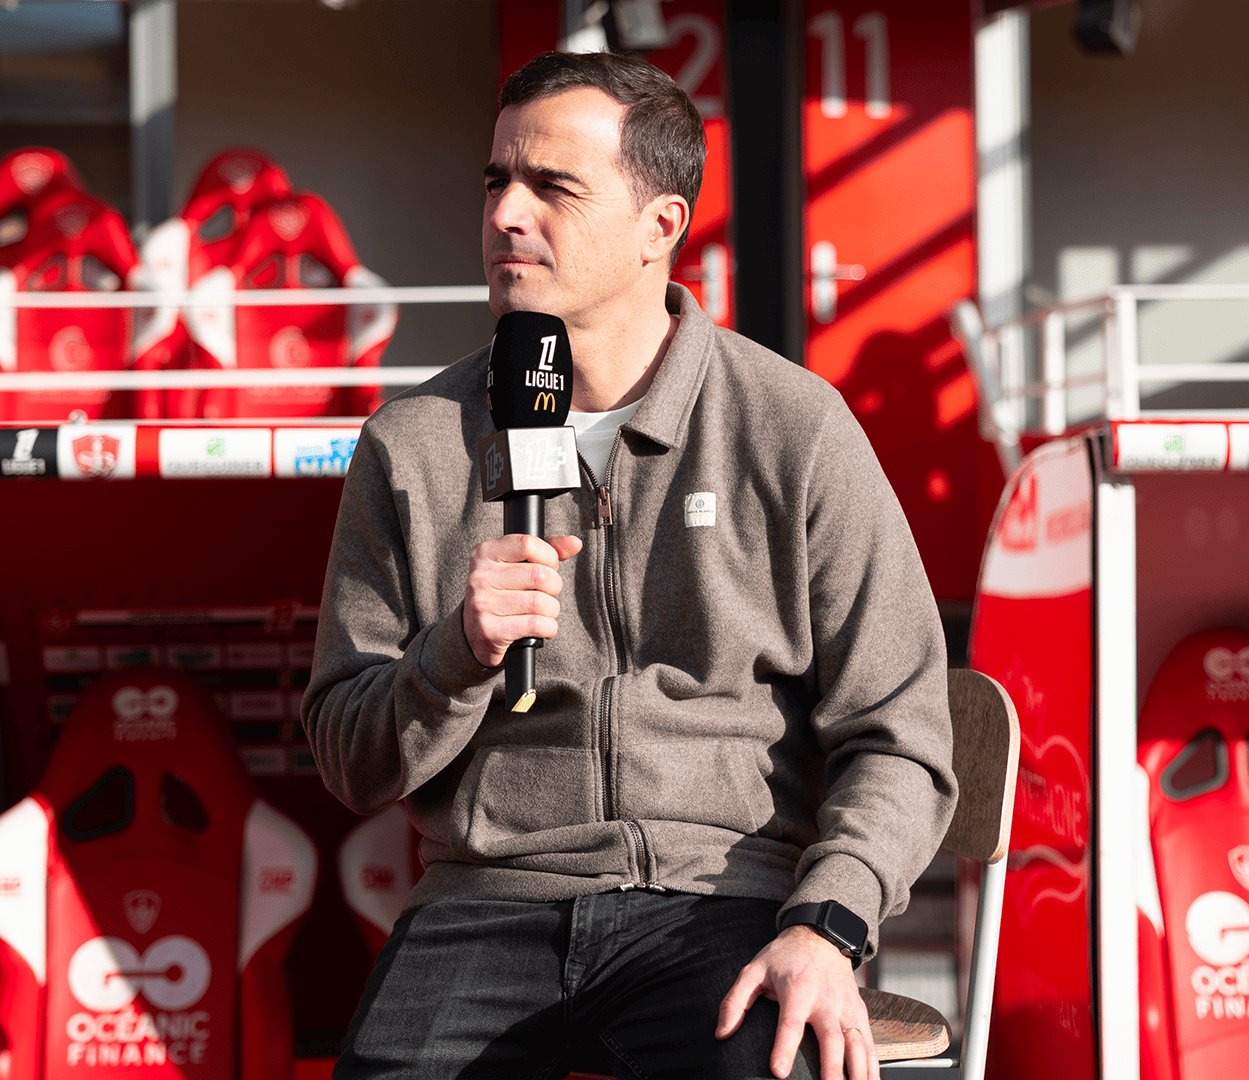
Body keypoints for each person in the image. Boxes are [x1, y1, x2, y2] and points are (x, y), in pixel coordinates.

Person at [303, 50, 955, 1080]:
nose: (508, 215)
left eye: (553, 187)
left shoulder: (792, 428)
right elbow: (347, 756)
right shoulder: (416, 443)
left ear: (663, 226)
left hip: (727, 904)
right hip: (484, 905)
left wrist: (828, 923)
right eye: (496, 183)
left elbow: (903, 732)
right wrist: (454, 657)